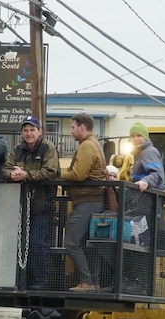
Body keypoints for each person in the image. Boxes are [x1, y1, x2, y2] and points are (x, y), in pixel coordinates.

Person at [2, 115, 60, 290]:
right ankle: (18, 281)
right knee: (16, 243)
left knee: (37, 244)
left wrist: (26, 175)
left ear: (39, 131)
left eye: (32, 130)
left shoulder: (48, 148)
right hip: (19, 207)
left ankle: (38, 283)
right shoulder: (16, 149)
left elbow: (51, 171)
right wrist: (12, 175)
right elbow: (5, 168)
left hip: (42, 206)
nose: (28, 133)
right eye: (25, 130)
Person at [60, 112, 107, 292]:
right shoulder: (95, 144)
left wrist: (61, 175)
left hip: (87, 201)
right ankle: (93, 282)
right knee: (89, 243)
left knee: (71, 242)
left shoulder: (87, 146)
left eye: (72, 127)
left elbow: (79, 174)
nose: (71, 131)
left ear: (82, 126)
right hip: (93, 201)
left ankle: (86, 282)